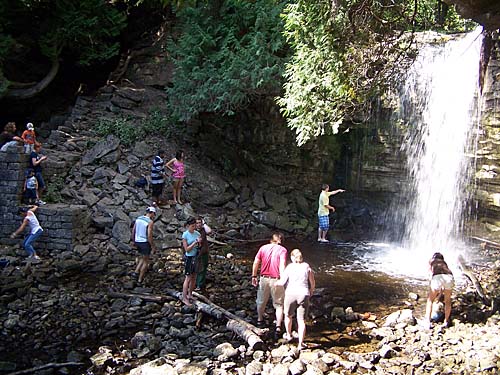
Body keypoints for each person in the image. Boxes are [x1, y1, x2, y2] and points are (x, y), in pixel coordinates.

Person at [251, 232, 288, 338]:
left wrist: (254, 276)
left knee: (261, 301)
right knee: (279, 304)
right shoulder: (282, 250)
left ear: (271, 240)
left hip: (263, 278)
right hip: (276, 279)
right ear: (281, 241)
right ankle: (278, 326)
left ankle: (259, 320)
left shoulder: (263, 248)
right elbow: (282, 265)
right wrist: (283, 280)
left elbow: (256, 262)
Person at [278, 249, 315, 351]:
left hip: (291, 293)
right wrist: (311, 291)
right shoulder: (306, 266)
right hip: (303, 294)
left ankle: (289, 335)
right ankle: (300, 344)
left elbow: (282, 282)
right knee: (301, 320)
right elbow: (312, 282)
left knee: (288, 315)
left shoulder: (290, 267)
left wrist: (275, 283)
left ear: (292, 257)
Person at [423, 252, 454, 329]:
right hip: (449, 277)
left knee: (430, 300)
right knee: (447, 301)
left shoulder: (432, 261)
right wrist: (440, 294)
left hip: (437, 277)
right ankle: (446, 321)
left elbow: (430, 274)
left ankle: (427, 322)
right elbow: (443, 283)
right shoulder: (444, 263)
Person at [131, 207, 157, 283]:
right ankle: (140, 279)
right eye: (154, 214)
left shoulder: (138, 219)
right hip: (144, 242)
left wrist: (133, 241)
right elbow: (149, 235)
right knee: (146, 261)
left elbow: (133, 231)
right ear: (152, 213)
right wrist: (152, 246)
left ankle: (135, 272)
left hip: (137, 241)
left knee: (142, 257)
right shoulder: (150, 222)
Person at [181, 217, 201, 305]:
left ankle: (190, 294)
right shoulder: (185, 235)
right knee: (188, 277)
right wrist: (194, 243)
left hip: (196, 257)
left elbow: (200, 245)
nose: (194, 227)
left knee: (194, 277)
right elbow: (187, 249)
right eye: (192, 226)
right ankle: (184, 297)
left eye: (195, 226)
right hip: (189, 257)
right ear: (188, 226)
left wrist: (199, 243)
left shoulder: (197, 233)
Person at [195, 216, 212, 291]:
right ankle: (197, 284)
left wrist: (204, 223)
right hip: (196, 252)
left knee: (204, 267)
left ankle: (201, 284)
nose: (198, 224)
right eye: (197, 223)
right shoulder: (193, 231)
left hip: (204, 251)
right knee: (198, 268)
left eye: (199, 223)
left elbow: (209, 231)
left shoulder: (203, 230)